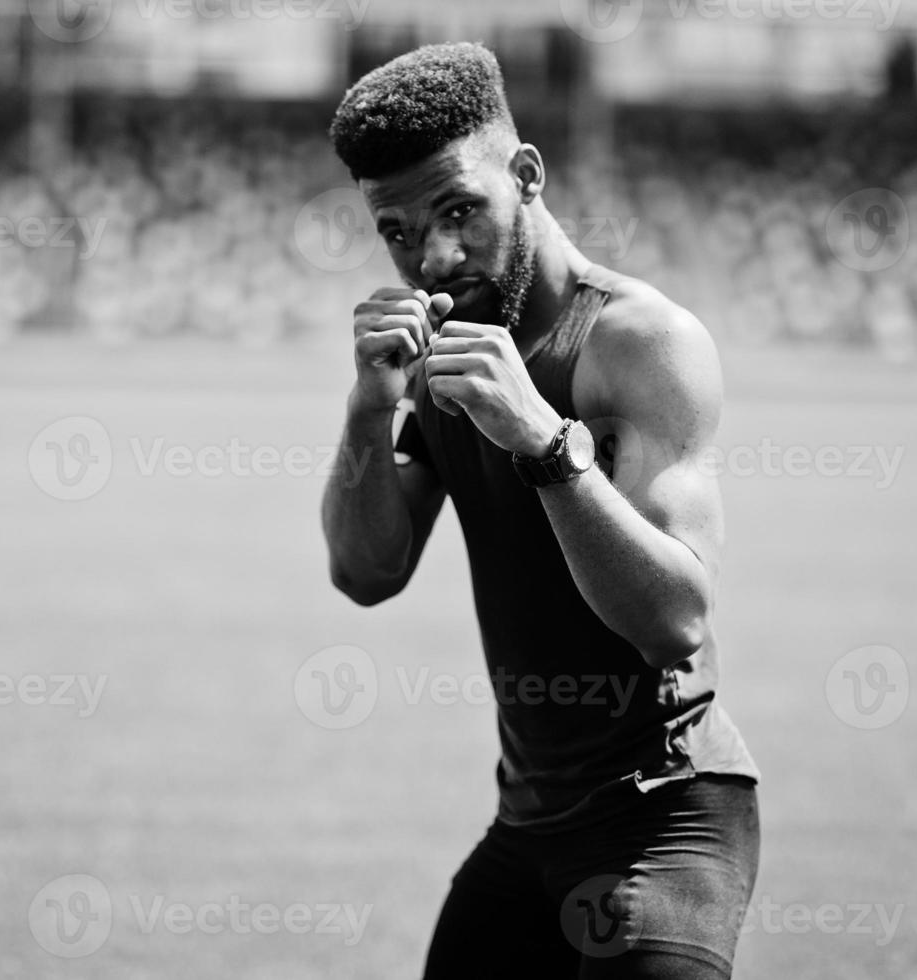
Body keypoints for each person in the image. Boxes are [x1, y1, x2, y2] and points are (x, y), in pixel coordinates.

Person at [320, 43, 761, 979]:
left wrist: (544, 442)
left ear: (525, 175)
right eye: (395, 230)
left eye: (458, 211)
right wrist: (366, 408)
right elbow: (365, 574)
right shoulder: (442, 350)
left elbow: (674, 621)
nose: (433, 257)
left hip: (663, 811)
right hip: (525, 825)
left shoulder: (640, 342)